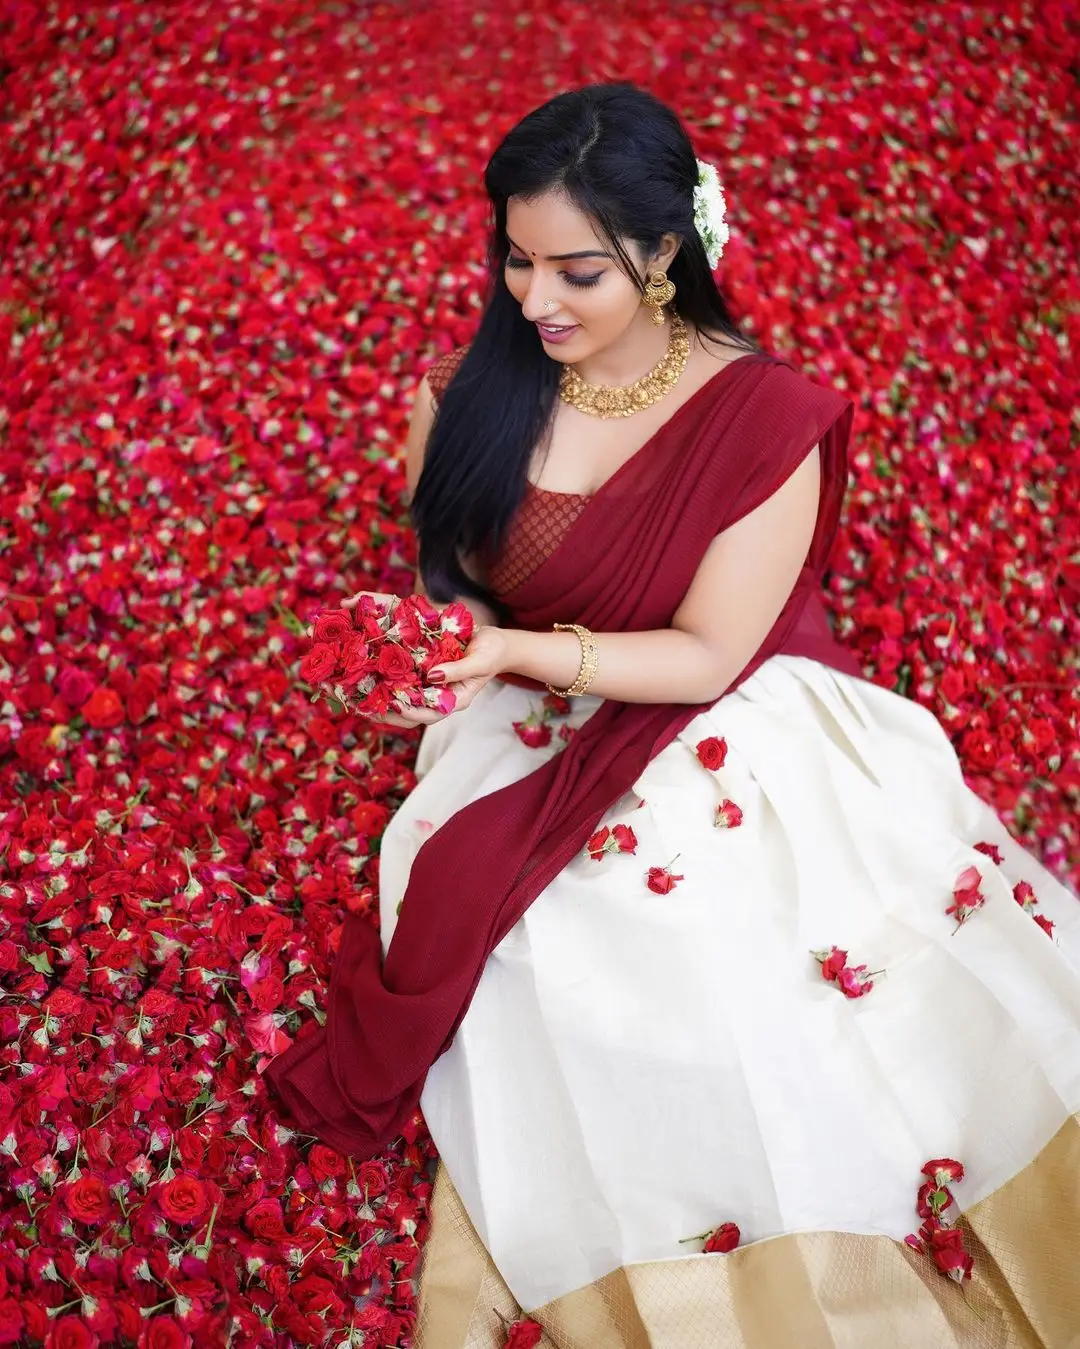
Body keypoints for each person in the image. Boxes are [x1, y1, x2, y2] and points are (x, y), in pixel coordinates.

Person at [267, 84, 1080, 1347]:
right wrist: (423, 659)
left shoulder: (765, 416)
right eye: (516, 259)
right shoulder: (468, 394)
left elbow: (707, 654)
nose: (535, 300)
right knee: (569, 973)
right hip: (526, 700)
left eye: (577, 270)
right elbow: (456, 573)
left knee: (760, 970)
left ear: (662, 255)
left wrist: (507, 650)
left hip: (731, 712)